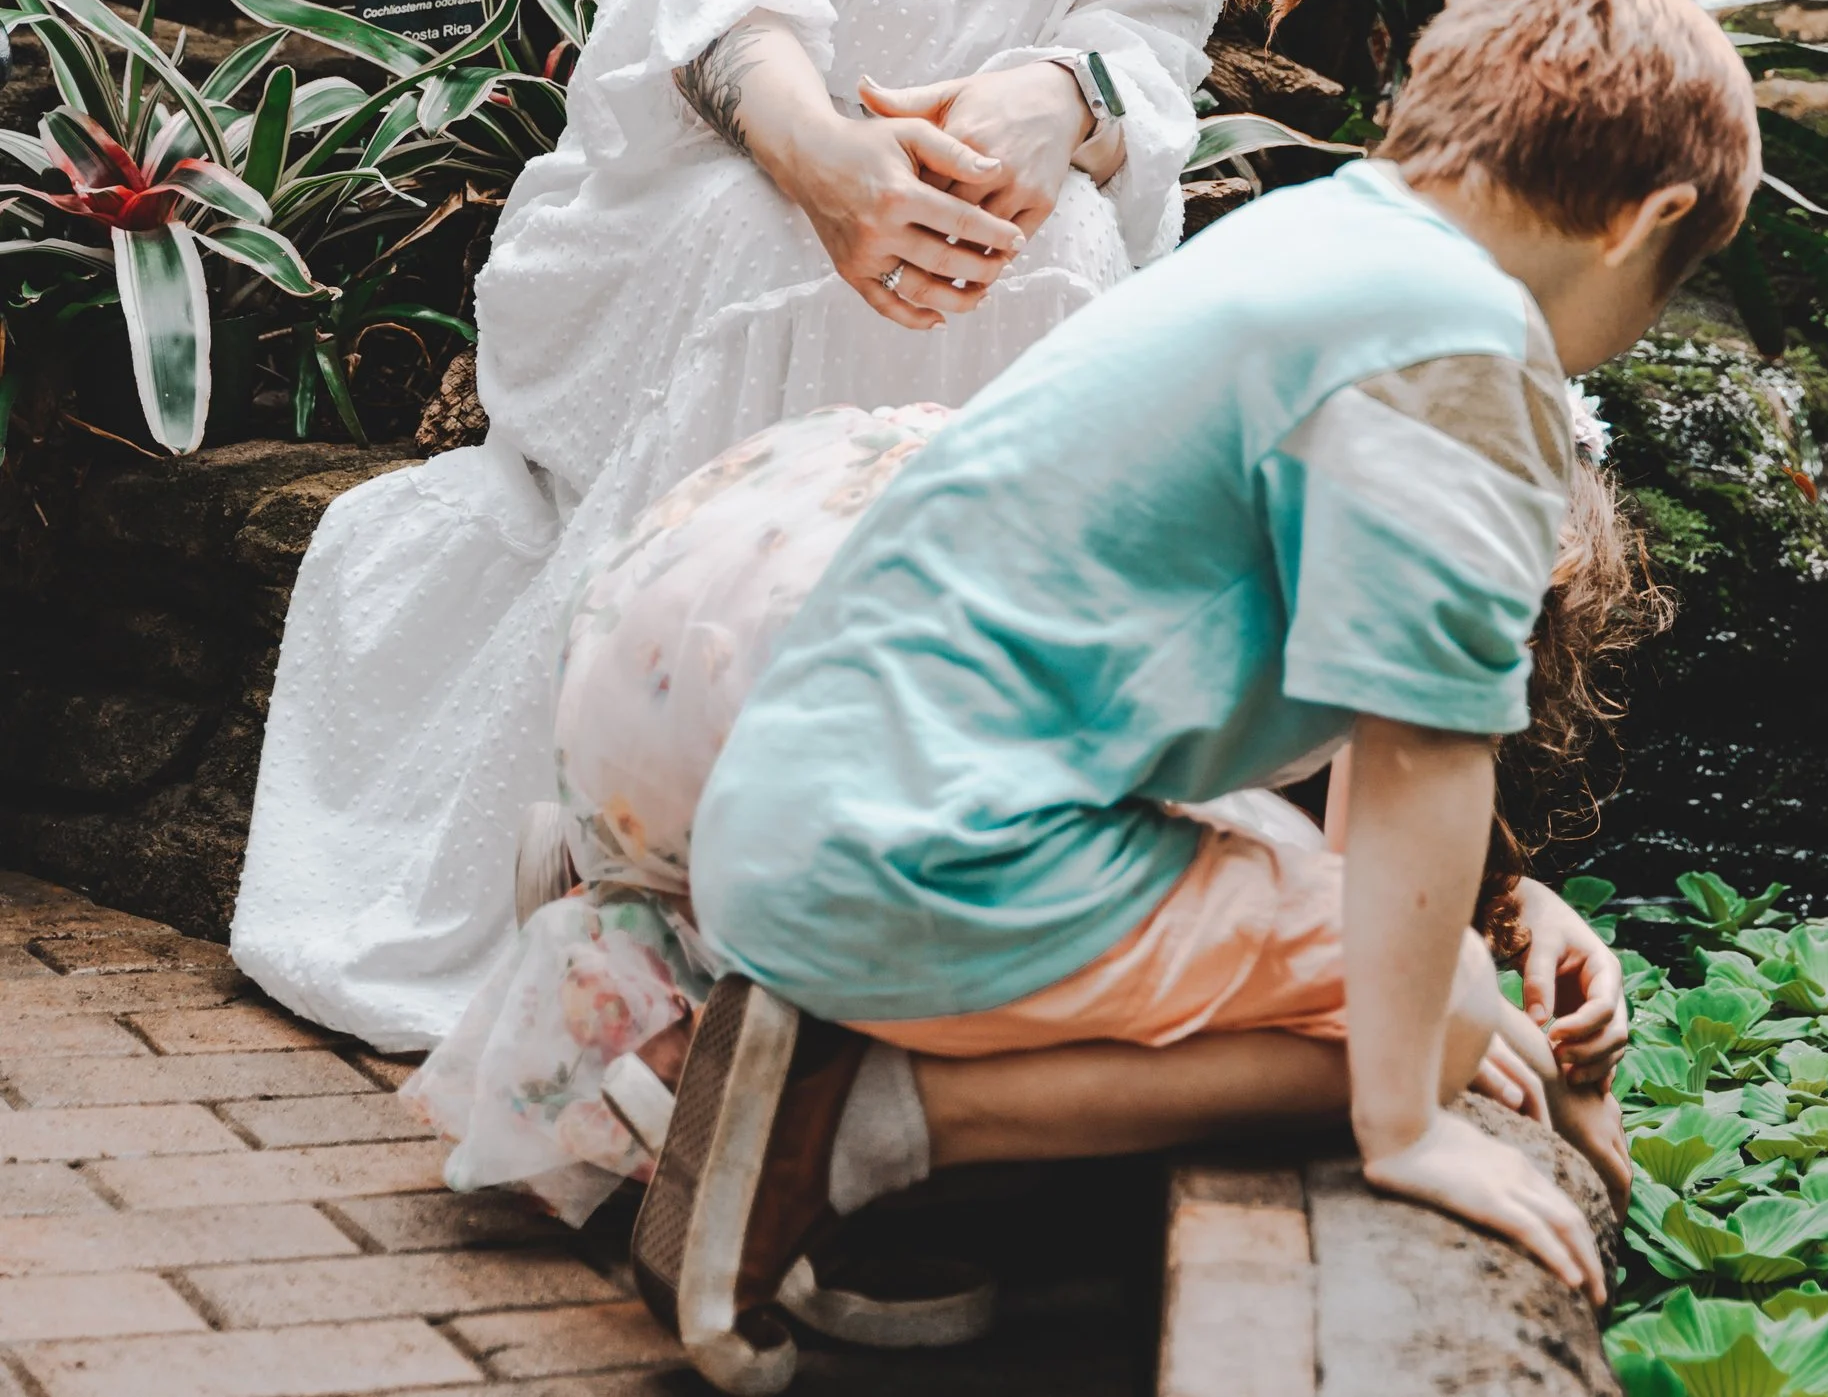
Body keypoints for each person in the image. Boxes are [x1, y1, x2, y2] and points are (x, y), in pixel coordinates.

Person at [230, 0, 1506, 1052]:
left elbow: (1152, 66)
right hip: (664, 240)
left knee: (1068, 252)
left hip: (954, 268)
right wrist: (831, 159)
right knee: (779, 240)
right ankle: (639, 870)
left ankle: (934, 845)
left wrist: (1065, 94)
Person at [633, 0, 1761, 1392]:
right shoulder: (1463, 345)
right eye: (1668, 285)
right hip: (916, 861)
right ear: (1649, 218)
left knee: (1425, 1000)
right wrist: (1407, 1122)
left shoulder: (1321, 242)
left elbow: (1376, 752)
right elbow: (1424, 747)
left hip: (816, 817)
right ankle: (874, 1126)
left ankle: (877, 1113)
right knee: (1444, 1040)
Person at [401, 403, 1649, 1229]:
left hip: (666, 677)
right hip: (851, 780)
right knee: (1404, 1028)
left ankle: (630, 895)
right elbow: (1352, 909)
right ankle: (860, 1120)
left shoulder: (1235, 445)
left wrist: (1514, 899)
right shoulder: (1371, 622)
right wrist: (1457, 1018)